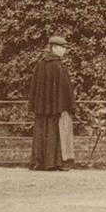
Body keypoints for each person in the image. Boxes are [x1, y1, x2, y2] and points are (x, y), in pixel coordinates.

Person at [28, 36, 76, 172]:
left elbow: (34, 87)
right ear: (54, 48)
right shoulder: (59, 65)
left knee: (40, 132)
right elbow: (66, 89)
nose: (64, 51)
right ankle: (53, 163)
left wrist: (35, 105)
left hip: (41, 107)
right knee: (55, 133)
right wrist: (69, 106)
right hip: (56, 107)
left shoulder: (40, 64)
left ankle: (39, 162)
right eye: (62, 48)